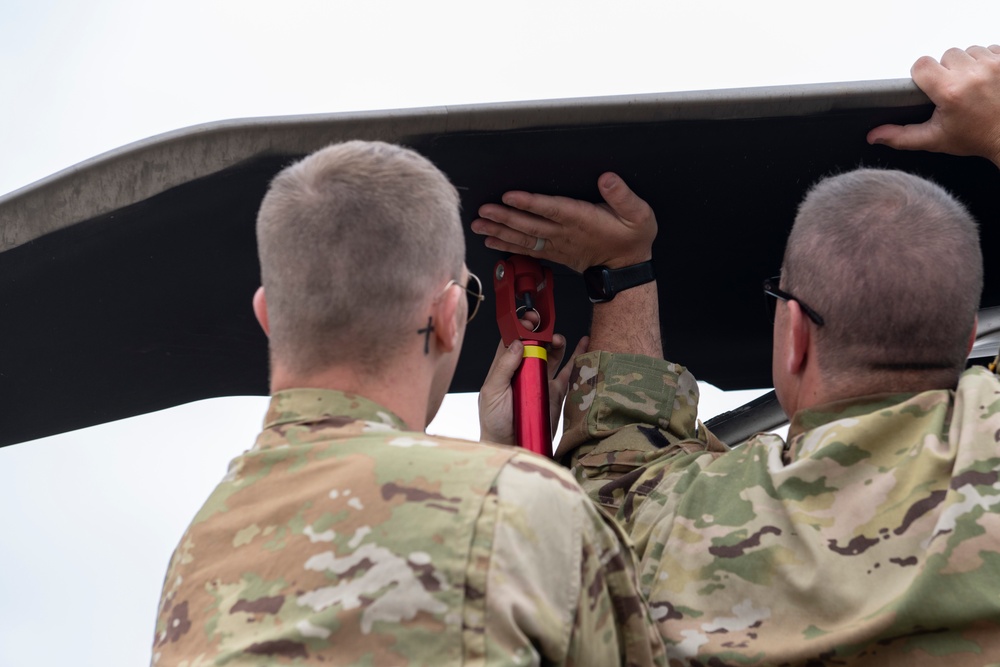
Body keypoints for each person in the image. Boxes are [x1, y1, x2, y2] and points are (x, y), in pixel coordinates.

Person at [475, 45, 1000, 665]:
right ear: (969, 338)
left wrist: (620, 269)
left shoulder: (695, 526)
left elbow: (619, 474)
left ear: (794, 333)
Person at [150, 141, 665, 666]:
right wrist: (512, 476)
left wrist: (503, 459)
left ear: (266, 317)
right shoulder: (521, 505)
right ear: (448, 315)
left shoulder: (198, 552)